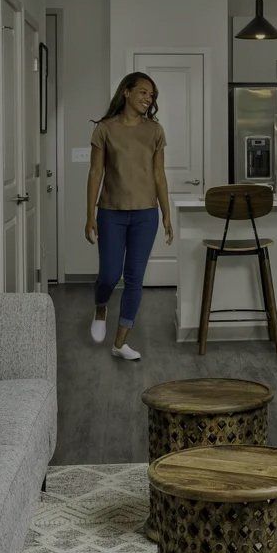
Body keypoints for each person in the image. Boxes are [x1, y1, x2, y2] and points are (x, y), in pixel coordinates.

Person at [85, 72, 175, 360]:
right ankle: (101, 307)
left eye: (152, 95)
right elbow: (95, 173)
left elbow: (159, 175)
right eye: (143, 92)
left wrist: (166, 213)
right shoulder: (105, 129)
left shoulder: (155, 131)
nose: (149, 98)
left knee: (135, 279)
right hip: (111, 213)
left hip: (145, 215)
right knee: (109, 275)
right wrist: (90, 215)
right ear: (126, 92)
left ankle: (120, 342)